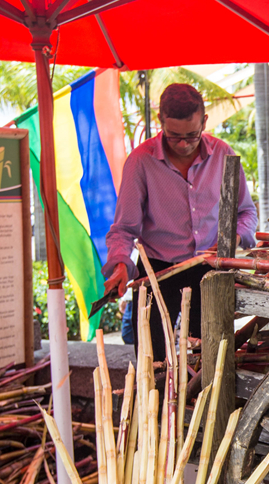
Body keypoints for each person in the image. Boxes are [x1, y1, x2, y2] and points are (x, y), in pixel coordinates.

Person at [103, 83, 257, 363]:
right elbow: (124, 230)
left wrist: (230, 240)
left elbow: (247, 214)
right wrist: (119, 264)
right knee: (153, 362)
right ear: (160, 121)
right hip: (157, 270)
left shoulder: (224, 155)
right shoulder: (140, 162)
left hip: (210, 270)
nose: (184, 144)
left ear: (205, 122)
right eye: (174, 136)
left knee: (210, 361)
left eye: (192, 135)